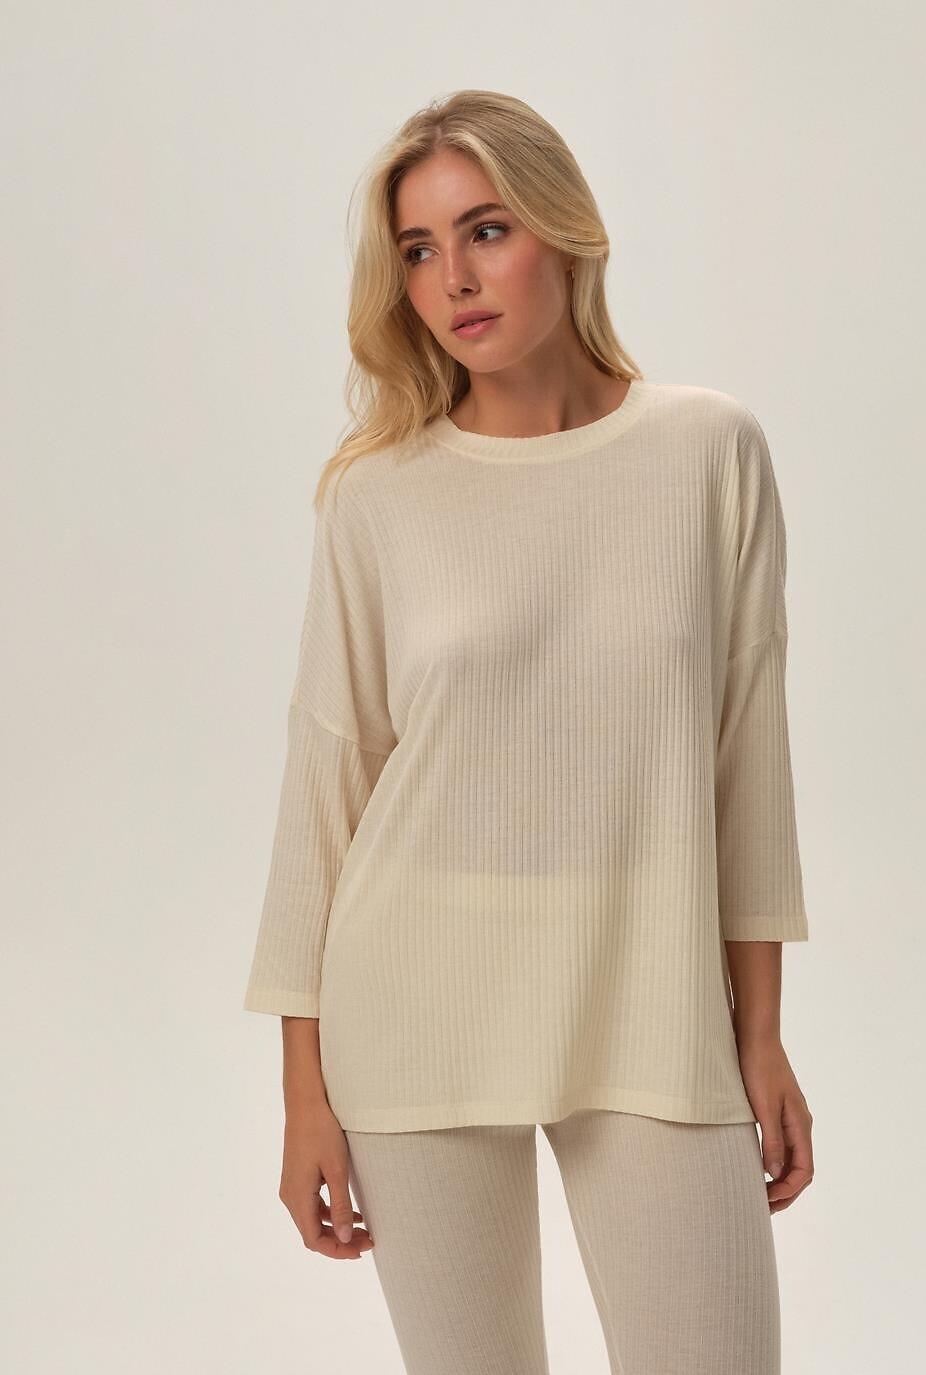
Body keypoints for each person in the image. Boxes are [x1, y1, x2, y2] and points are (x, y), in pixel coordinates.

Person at [243, 88, 814, 1375]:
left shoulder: (709, 450)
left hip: (649, 993)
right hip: (415, 1002)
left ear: (566, 229)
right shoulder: (379, 494)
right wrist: (303, 1091)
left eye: (486, 230)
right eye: (418, 249)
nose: (452, 278)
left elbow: (747, 762)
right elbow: (330, 776)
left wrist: (761, 1033)